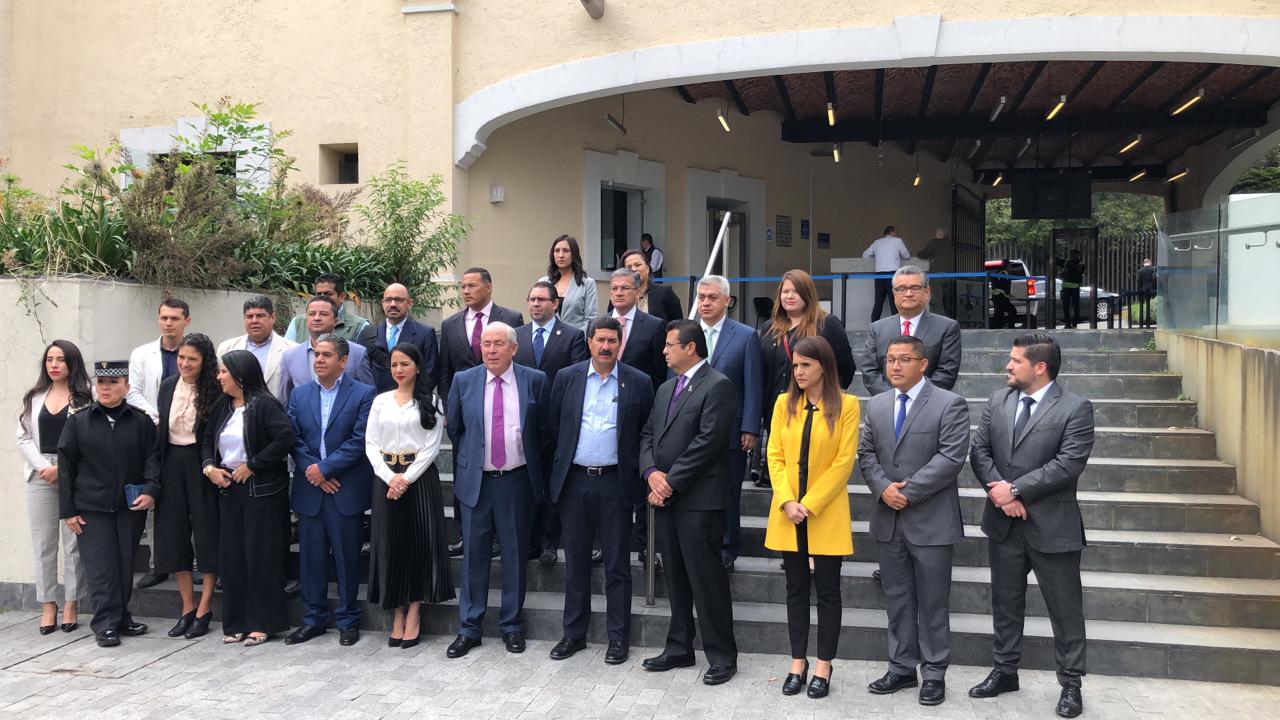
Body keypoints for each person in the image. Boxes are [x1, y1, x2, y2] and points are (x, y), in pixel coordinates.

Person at [968, 332, 1095, 719]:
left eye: (1015, 360)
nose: (1007, 365)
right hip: (1004, 524)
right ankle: (1005, 671)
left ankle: (1070, 683)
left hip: (1053, 527)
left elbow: (1068, 464)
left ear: (1040, 367)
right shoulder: (998, 399)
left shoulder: (1075, 408)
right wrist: (1001, 495)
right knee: (1005, 602)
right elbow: (979, 451)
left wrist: (1016, 490)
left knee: (1065, 608)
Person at [858, 335, 970, 706]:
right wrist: (882, 488)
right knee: (897, 598)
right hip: (889, 520)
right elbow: (866, 454)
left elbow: (950, 459)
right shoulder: (877, 404)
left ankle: (934, 673)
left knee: (933, 602)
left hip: (931, 520)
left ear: (923, 364)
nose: (895, 365)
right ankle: (901, 667)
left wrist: (906, 492)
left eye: (904, 359)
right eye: (890, 359)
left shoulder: (949, 403)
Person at [546, 317, 654, 665]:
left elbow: (646, 432)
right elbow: (554, 425)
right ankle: (573, 634)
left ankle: (618, 638)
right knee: (576, 562)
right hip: (575, 481)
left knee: (617, 566)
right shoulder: (567, 377)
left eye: (612, 340)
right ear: (589, 342)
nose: (606, 346)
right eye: (600, 340)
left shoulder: (638, 381)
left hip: (615, 483)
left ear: (620, 344)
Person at [639, 319, 739, 686]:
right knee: (676, 577)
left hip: (699, 500)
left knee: (706, 579)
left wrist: (670, 482)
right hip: (666, 499)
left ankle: (722, 656)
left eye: (670, 345)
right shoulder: (666, 387)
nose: (664, 351)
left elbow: (708, 442)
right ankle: (679, 646)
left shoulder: (718, 385)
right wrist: (651, 472)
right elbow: (648, 435)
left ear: (690, 348)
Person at [444, 322, 549, 659]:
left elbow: (544, 430)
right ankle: (469, 628)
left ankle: (511, 625)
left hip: (517, 481)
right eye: (486, 344)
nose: (490, 350)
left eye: (498, 344)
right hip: (477, 481)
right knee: (474, 557)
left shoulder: (535, 380)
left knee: (514, 556)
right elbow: (456, 429)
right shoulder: (464, 381)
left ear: (514, 348)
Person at [765, 336, 858, 699]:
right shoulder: (783, 403)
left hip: (826, 511)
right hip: (788, 513)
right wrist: (788, 501)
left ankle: (823, 664)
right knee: (796, 588)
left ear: (824, 366)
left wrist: (811, 503)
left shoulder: (847, 405)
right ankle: (797, 662)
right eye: (795, 366)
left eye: (806, 365)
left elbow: (844, 462)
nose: (799, 372)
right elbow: (775, 456)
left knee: (829, 591)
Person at [284, 336, 377, 648]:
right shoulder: (299, 394)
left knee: (347, 559)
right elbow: (294, 438)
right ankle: (313, 619)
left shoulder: (363, 393)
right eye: (317, 355)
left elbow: (359, 439)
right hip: (311, 489)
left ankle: (348, 620)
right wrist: (315, 472)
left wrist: (326, 469)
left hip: (344, 488)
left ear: (344, 361)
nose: (319, 360)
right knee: (311, 560)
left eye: (327, 355)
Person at [57, 360, 157, 648]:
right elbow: (66, 468)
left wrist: (151, 490)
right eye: (101, 382)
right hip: (91, 507)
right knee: (101, 568)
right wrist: (69, 511)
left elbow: (153, 460)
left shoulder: (140, 422)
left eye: (113, 382)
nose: (106, 388)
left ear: (126, 387)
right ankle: (104, 625)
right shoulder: (79, 422)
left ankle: (121, 618)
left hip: (129, 506)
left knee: (124, 565)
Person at [202, 350, 296, 647]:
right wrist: (209, 468)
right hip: (228, 486)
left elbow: (285, 439)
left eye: (223, 372)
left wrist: (253, 465)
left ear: (240, 375)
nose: (219, 377)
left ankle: (263, 622)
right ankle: (236, 622)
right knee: (233, 557)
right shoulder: (223, 405)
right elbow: (206, 439)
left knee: (260, 557)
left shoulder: (265, 405)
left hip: (262, 491)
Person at [364, 342, 454, 650]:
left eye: (404, 364)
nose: (399, 370)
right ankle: (397, 610)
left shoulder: (431, 401)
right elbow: (371, 444)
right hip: (385, 478)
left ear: (417, 366)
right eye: (394, 365)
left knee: (419, 544)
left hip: (419, 479)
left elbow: (431, 446)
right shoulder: (381, 401)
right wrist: (391, 477)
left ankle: (415, 610)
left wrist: (406, 479)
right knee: (391, 543)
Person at [438, 267, 524, 556]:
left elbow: (520, 365)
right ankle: (465, 533)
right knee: (465, 473)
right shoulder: (451, 324)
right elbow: (446, 371)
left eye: (472, 285)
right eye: (463, 286)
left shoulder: (511, 318)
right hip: (466, 412)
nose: (465, 291)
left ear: (488, 287)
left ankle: (499, 536)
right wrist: (450, 407)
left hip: (503, 405)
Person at [145, 333, 222, 640]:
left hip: (202, 464)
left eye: (192, 359)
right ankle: (187, 607)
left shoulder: (215, 388)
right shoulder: (167, 386)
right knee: (174, 536)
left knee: (206, 535)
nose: (185, 363)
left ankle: (205, 608)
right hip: (171, 464)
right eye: (181, 357)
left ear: (205, 362)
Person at [17, 340, 91, 635]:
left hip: (74, 473)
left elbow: (90, 438)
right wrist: (43, 468)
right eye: (50, 359)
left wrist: (63, 469)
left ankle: (72, 603)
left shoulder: (86, 396)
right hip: (40, 475)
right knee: (43, 544)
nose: (54, 365)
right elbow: (23, 436)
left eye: (61, 359)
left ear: (72, 363)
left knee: (73, 543)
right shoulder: (35, 397)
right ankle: (48, 604)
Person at [758, 269, 856, 488]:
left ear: (808, 293)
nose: (789, 296)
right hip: (777, 411)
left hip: (816, 410)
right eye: (785, 291)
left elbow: (846, 367)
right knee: (782, 478)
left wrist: (827, 397)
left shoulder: (826, 324)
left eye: (796, 291)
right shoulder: (769, 328)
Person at [514, 280, 589, 565]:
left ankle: (549, 542)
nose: (535, 304)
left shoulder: (572, 336)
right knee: (526, 485)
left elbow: (575, 379)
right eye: (531, 299)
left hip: (557, 423)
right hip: (521, 423)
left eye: (541, 300)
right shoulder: (517, 335)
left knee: (551, 484)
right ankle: (530, 541)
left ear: (555, 304)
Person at [694, 275, 763, 570]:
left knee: (728, 491)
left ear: (727, 301)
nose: (705, 303)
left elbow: (753, 383)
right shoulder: (686, 333)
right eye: (701, 297)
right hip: (691, 428)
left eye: (712, 297)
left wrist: (750, 427)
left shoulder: (745, 336)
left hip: (731, 430)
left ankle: (726, 549)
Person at [127, 297, 192, 591]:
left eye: (174, 318)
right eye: (164, 318)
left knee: (192, 502)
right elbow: (132, 392)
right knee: (155, 498)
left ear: (186, 321)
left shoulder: (196, 352)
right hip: (153, 433)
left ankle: (194, 563)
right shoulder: (142, 354)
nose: (168, 323)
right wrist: (158, 416)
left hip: (188, 438)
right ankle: (158, 564)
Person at [607, 267, 667, 563]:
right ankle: (605, 542)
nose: (618, 293)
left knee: (644, 477)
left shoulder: (654, 326)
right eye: (614, 288)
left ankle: (645, 543)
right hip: (606, 416)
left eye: (624, 288)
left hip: (642, 415)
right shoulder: (600, 325)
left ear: (638, 292)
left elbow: (660, 373)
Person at [860, 266, 962, 396]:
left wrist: (914, 397)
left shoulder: (947, 327)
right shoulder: (878, 328)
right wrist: (894, 398)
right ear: (894, 294)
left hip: (928, 402)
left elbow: (946, 373)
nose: (908, 294)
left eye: (915, 288)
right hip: (888, 404)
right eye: (901, 289)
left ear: (927, 292)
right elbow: (870, 371)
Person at [357, 282, 440, 395]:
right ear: (382, 303)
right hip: (375, 401)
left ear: (409, 303)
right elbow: (361, 371)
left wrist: (409, 398)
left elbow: (431, 373)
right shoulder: (367, 334)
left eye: (398, 300)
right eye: (388, 300)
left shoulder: (425, 334)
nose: (392, 304)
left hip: (412, 400)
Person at [281, 295, 373, 395]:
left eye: (323, 314)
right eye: (312, 314)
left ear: (335, 321)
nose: (316, 318)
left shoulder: (357, 353)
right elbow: (286, 397)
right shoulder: (290, 356)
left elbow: (368, 395)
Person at [217, 295, 296, 405]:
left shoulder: (291, 350)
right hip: (236, 412)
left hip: (275, 413)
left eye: (260, 316)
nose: (254, 321)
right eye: (249, 316)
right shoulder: (227, 348)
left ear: (273, 318)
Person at [283, 272, 371, 344]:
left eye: (328, 294)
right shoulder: (298, 323)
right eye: (318, 294)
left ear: (342, 297)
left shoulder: (359, 326)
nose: (322, 298)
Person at [540, 234, 599, 332]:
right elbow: (539, 313)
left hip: (576, 338)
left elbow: (590, 319)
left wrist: (576, 337)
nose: (561, 255)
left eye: (566, 250)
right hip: (548, 337)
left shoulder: (587, 284)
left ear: (574, 254)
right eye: (557, 250)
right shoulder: (544, 282)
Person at [615, 248, 682, 323]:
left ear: (647, 269)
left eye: (638, 265)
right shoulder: (618, 294)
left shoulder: (664, 292)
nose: (634, 269)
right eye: (629, 267)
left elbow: (678, 324)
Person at [863, 225, 911, 321]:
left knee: (878, 302)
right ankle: (896, 325)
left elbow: (865, 255)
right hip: (893, 275)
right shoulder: (897, 241)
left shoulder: (877, 242)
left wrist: (879, 256)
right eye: (896, 233)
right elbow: (906, 255)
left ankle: (874, 324)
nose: (897, 234)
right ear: (892, 233)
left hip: (879, 275)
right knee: (894, 301)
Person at [1060, 250, 1085, 328]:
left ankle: (1072, 323)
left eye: (1074, 254)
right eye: (1072, 254)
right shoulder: (1070, 263)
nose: (1073, 256)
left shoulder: (1079, 264)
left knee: (1073, 306)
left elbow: (1078, 272)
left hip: (1071, 288)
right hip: (1069, 288)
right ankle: (1070, 323)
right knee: (1068, 307)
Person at [1136, 258, 1157, 328]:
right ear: (1150, 262)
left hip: (1144, 290)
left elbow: (1139, 283)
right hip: (1153, 290)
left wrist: (1139, 293)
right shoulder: (1154, 269)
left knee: (1143, 306)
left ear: (1143, 264)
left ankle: (1142, 324)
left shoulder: (1140, 271)